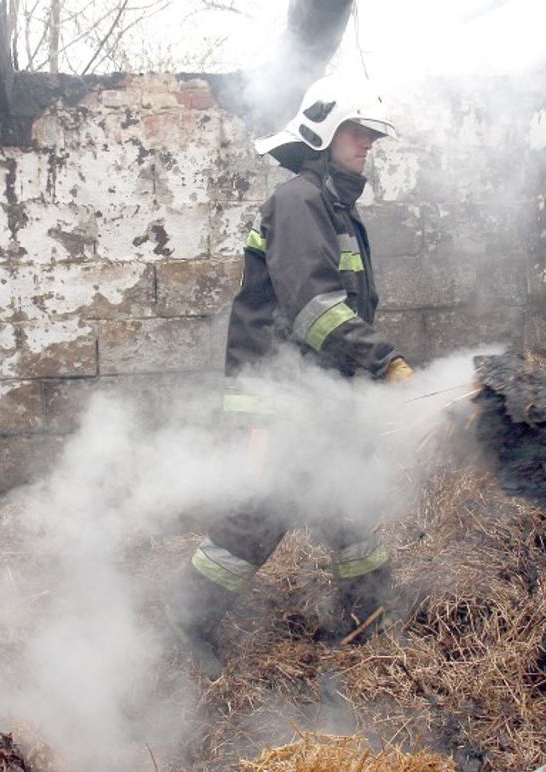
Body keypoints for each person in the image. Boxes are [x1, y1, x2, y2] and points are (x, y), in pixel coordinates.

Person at [167, 75, 415, 677]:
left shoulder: (336, 208)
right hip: (278, 400)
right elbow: (314, 309)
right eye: (359, 132)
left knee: (344, 503)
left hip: (318, 397)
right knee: (261, 511)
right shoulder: (300, 201)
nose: (368, 144)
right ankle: (183, 622)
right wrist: (383, 361)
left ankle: (367, 618)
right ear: (324, 133)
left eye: (373, 135)